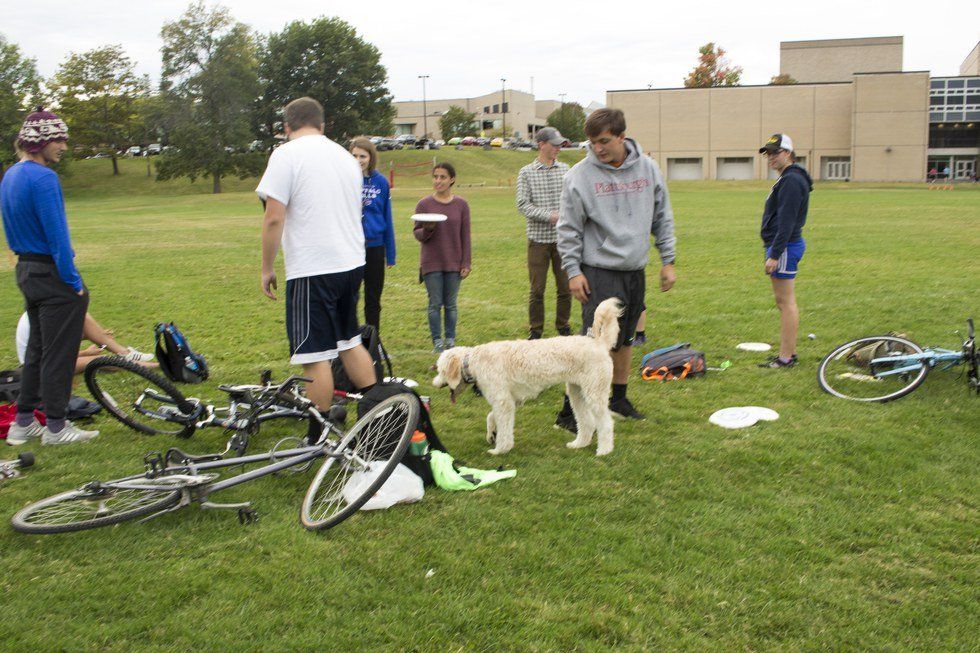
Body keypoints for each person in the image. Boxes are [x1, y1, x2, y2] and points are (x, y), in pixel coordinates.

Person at [256, 97, 377, 441]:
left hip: (314, 268)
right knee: (349, 341)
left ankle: (317, 437)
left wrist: (266, 267)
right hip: (351, 262)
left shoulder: (286, 154)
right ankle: (378, 410)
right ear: (323, 126)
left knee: (314, 356)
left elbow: (274, 216)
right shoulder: (344, 156)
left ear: (286, 128)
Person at [556, 108, 676, 426]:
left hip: (634, 270)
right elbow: (568, 229)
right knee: (593, 345)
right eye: (592, 142)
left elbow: (662, 216)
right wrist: (573, 271)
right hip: (598, 270)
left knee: (624, 340)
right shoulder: (579, 176)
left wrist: (668, 260)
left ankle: (619, 398)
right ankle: (570, 411)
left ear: (622, 136)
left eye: (604, 140)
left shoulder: (648, 169)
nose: (598, 148)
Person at [1, 107, 99, 445]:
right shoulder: (44, 179)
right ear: (39, 142)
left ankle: (23, 422)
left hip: (25, 271)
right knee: (59, 353)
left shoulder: (11, 174)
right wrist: (74, 284)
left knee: (37, 352)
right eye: (58, 139)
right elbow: (58, 237)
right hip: (51, 273)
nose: (64, 146)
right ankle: (56, 427)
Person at [758, 133, 813, 368]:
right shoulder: (789, 178)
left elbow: (787, 222)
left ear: (788, 154)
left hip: (785, 247)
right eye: (768, 153)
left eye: (774, 152)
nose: (770, 157)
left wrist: (774, 254)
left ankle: (786, 357)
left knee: (785, 303)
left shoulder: (791, 180)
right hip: (785, 246)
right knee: (785, 302)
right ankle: (788, 352)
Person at [516, 127, 572, 339]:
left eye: (559, 144)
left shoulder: (567, 170)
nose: (558, 148)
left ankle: (563, 326)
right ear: (541, 144)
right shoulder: (526, 172)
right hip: (538, 241)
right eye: (554, 144)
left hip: (563, 241)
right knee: (537, 290)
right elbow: (522, 205)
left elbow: (573, 200)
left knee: (565, 288)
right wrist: (550, 216)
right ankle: (536, 330)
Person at [413, 162, 471, 352]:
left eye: (442, 177)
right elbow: (417, 234)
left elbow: (465, 235)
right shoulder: (424, 204)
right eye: (435, 177)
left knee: (451, 305)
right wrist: (428, 229)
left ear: (452, 179)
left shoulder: (461, 205)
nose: (438, 181)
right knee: (435, 304)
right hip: (431, 262)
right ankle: (438, 342)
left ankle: (450, 340)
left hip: (454, 262)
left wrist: (466, 262)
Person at [349, 137, 395, 333]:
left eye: (363, 156)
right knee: (350, 298)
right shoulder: (344, 180)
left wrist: (390, 253)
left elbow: (387, 217)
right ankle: (349, 342)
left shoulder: (381, 182)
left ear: (371, 157)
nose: (358, 160)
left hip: (375, 248)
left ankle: (373, 343)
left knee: (373, 300)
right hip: (350, 247)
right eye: (354, 156)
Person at [15, 312, 155, 374]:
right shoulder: (49, 318)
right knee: (99, 361)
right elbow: (56, 353)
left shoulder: (50, 310)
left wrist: (97, 336)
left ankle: (125, 353)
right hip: (39, 366)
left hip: (50, 356)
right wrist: (86, 353)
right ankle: (157, 365)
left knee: (84, 316)